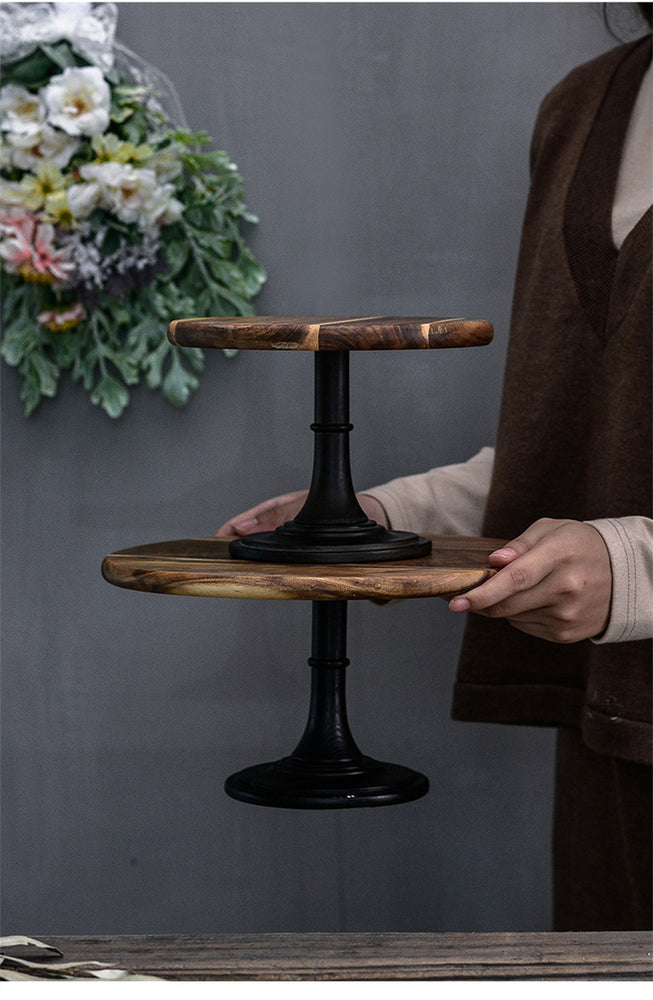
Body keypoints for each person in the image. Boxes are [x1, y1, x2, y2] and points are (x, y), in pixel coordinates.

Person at [217, 8, 652, 931]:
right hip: (616, 731)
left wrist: (633, 570)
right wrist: (386, 515)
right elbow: (583, 436)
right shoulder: (584, 107)